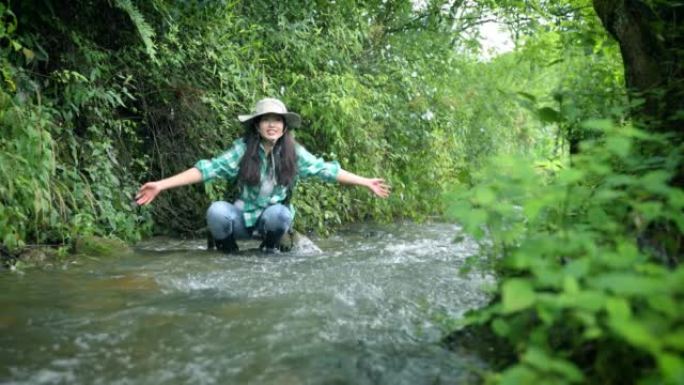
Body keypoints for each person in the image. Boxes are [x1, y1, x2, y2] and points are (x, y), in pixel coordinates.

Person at [135, 98, 390, 253]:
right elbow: (206, 170)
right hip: (240, 219)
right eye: (266, 120)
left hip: (269, 222)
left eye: (277, 120)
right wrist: (161, 185)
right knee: (216, 211)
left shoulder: (294, 152)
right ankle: (229, 255)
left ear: (284, 126)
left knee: (281, 213)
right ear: (257, 125)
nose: (272, 124)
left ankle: (268, 253)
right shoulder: (242, 150)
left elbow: (327, 171)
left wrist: (366, 182)